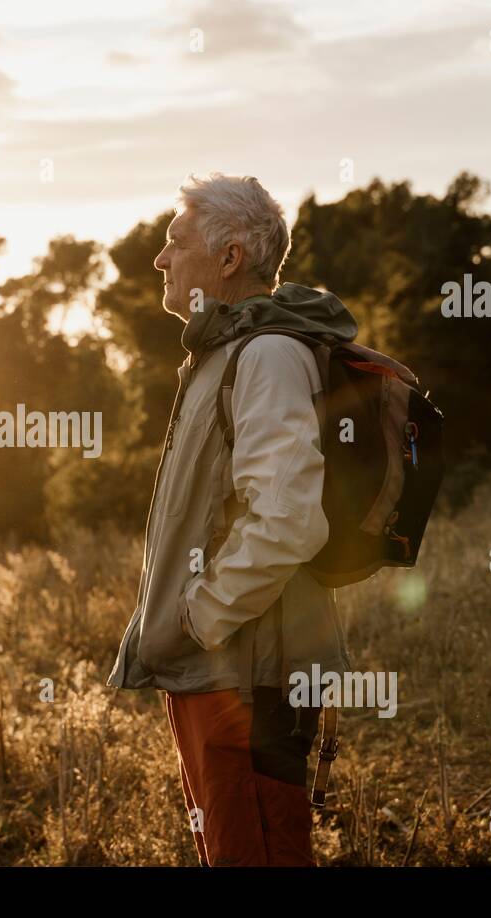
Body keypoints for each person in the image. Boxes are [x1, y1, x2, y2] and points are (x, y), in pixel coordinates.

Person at [105, 172, 356, 866]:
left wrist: (203, 616)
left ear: (229, 257)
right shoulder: (219, 354)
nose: (160, 259)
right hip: (218, 668)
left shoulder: (267, 355)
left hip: (245, 672)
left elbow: (287, 519)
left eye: (173, 242)